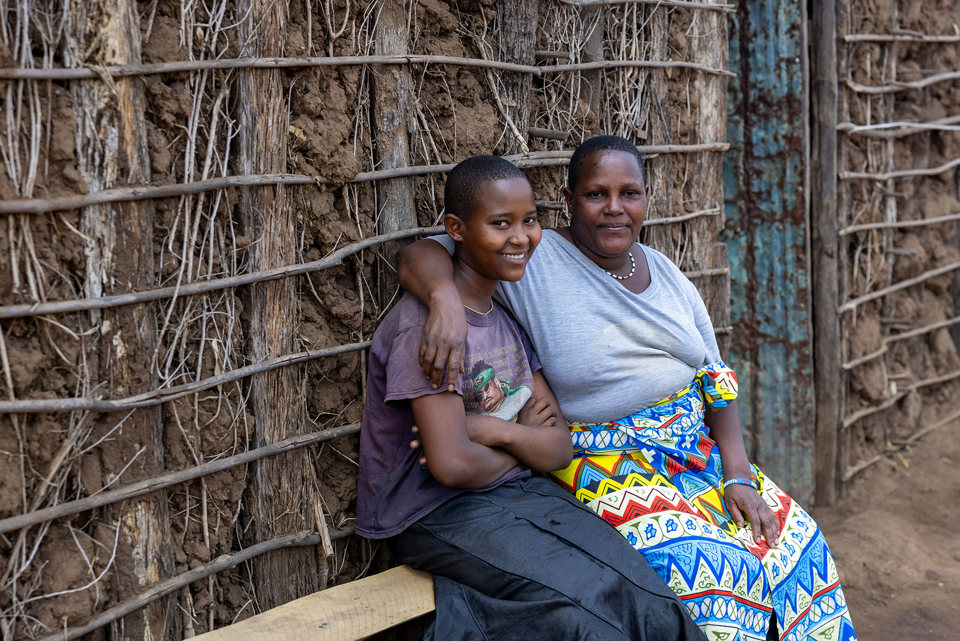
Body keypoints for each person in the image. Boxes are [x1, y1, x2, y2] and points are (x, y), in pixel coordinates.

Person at [397, 137, 857, 641]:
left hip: (695, 451)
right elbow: (425, 253)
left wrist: (739, 476)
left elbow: (716, 380)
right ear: (570, 201)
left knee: (798, 544)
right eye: (596, 194)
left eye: (629, 193)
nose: (614, 208)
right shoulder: (531, 256)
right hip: (609, 463)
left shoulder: (664, 272)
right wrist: (441, 297)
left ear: (645, 200)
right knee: (708, 569)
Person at [356, 155, 706, 641]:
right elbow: (453, 466)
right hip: (437, 513)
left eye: (530, 221)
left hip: (523, 493)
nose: (520, 238)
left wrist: (496, 432)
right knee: (591, 625)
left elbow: (559, 449)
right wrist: (524, 443)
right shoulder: (430, 331)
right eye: (500, 224)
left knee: (654, 607)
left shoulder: (506, 319)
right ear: (456, 229)